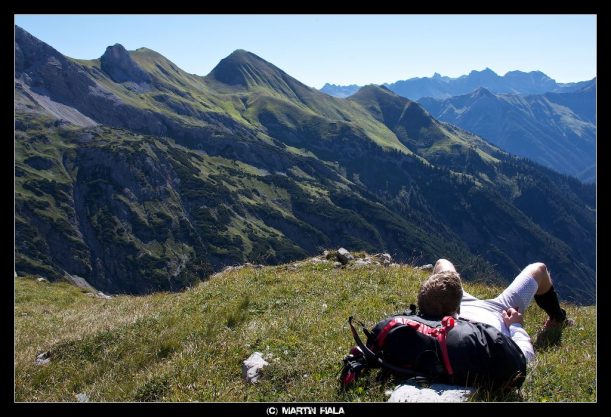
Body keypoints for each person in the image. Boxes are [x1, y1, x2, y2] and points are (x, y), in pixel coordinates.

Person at [418, 258, 573, 364]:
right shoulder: (479, 348)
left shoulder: (421, 339)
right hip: (501, 311)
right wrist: (515, 325)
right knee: (539, 269)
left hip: (451, 307)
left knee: (443, 263)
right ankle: (557, 318)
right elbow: (525, 359)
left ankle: (557, 317)